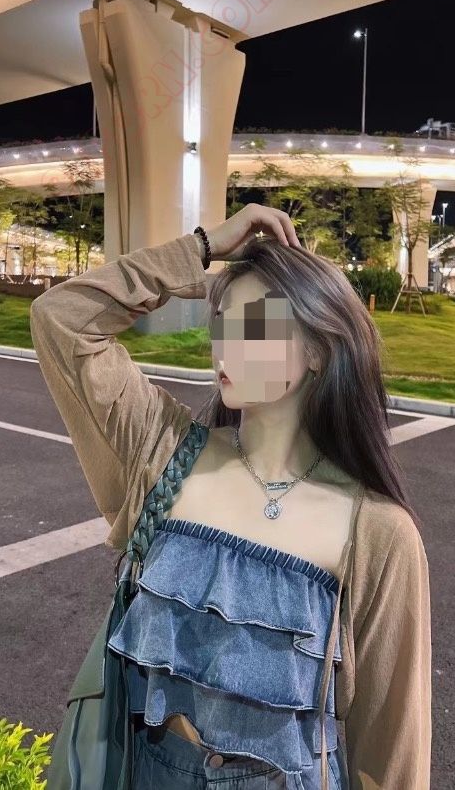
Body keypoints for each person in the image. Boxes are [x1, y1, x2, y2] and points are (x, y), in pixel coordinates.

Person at [30, 203, 432, 790]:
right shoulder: (163, 452)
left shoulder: (377, 532)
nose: (224, 350)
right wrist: (201, 249)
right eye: (223, 326)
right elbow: (61, 319)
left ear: (318, 350)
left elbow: (390, 752)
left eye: (255, 328)